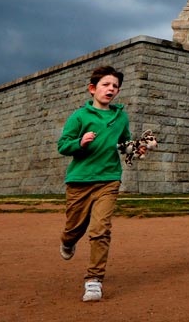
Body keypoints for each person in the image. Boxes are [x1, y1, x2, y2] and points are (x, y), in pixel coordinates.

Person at [57, 65, 140, 302]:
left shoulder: (120, 116)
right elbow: (63, 145)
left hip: (108, 180)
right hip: (79, 181)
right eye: (106, 84)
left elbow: (125, 144)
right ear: (93, 88)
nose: (111, 89)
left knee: (100, 229)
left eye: (115, 86)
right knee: (75, 227)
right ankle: (68, 241)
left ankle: (94, 280)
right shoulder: (79, 116)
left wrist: (136, 149)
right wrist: (80, 142)